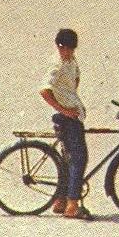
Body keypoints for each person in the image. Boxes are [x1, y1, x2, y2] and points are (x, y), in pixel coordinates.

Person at [40, 28, 89, 218]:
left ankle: (60, 201)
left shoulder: (71, 62)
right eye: (62, 47)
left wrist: (70, 97)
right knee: (79, 158)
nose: (65, 51)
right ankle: (72, 205)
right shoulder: (57, 65)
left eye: (69, 48)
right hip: (68, 118)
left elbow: (76, 78)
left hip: (74, 115)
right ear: (57, 46)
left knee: (68, 159)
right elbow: (44, 91)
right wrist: (65, 109)